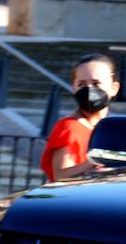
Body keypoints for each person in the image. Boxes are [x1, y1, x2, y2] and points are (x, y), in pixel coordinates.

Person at [41, 53, 120, 181]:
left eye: (96, 83)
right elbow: (60, 176)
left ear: (114, 88)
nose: (89, 89)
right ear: (74, 88)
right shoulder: (69, 127)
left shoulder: (116, 128)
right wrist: (96, 161)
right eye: (82, 84)